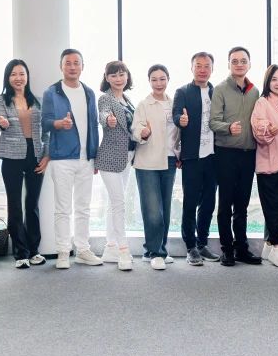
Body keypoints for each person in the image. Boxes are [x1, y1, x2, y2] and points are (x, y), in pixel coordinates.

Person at [41, 48, 102, 269]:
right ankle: (63, 252)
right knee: (63, 208)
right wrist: (59, 124)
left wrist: (94, 155)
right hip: (62, 158)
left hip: (86, 158)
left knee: (84, 207)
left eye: (77, 63)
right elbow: (45, 122)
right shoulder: (52, 92)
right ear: (61, 66)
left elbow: (94, 124)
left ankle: (83, 250)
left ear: (82, 66)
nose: (73, 67)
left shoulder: (89, 92)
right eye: (68, 63)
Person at [0, 59, 50, 269]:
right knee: (15, 205)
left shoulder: (38, 101)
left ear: (27, 77)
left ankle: (34, 250)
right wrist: (2, 122)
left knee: (32, 204)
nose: (18, 78)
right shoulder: (0, 100)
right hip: (11, 156)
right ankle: (20, 252)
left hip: (35, 155)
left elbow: (46, 132)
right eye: (13, 74)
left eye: (21, 74)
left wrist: (46, 156)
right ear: (8, 78)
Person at [209, 46, 262, 266]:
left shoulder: (255, 91)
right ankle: (227, 250)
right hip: (226, 154)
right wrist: (228, 128)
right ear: (229, 64)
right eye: (235, 61)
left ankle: (242, 248)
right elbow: (213, 122)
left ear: (249, 64)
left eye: (243, 61)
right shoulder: (220, 89)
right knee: (225, 204)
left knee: (242, 204)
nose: (239, 64)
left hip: (248, 154)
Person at [173, 52, 221, 265]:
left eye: (206, 66)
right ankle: (190, 247)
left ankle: (202, 243)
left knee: (209, 203)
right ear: (191, 68)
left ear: (212, 69)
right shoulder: (182, 91)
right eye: (198, 65)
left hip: (213, 156)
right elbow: (176, 115)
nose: (202, 69)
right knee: (190, 202)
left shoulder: (216, 92)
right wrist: (181, 120)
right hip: (192, 156)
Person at [131, 64, 179, 271]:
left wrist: (179, 154)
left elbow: (177, 134)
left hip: (169, 160)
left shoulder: (175, 104)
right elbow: (136, 128)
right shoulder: (144, 104)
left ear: (168, 79)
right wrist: (143, 132)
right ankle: (155, 253)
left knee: (165, 209)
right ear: (149, 81)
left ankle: (156, 249)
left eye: (162, 79)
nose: (158, 83)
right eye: (154, 79)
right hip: (148, 162)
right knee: (152, 210)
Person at [95, 60, 137, 272]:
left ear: (127, 76)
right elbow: (103, 114)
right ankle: (123, 250)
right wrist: (107, 120)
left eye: (122, 74)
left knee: (114, 204)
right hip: (109, 158)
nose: (118, 78)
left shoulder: (128, 100)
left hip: (127, 157)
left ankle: (110, 246)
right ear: (107, 78)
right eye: (113, 75)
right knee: (119, 203)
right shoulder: (106, 98)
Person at [251, 64, 278, 269]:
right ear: (268, 82)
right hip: (269, 162)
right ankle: (277, 245)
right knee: (272, 208)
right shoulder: (263, 102)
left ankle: (269, 246)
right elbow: (257, 125)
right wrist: (269, 128)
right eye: (274, 79)